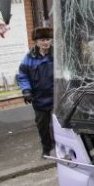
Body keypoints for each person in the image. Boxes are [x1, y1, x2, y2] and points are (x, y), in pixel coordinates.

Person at [17, 27, 54, 157]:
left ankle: (63, 148)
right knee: (42, 127)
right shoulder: (29, 58)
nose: (46, 42)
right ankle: (47, 148)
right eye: (42, 40)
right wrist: (26, 90)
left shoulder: (57, 55)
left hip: (57, 98)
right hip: (40, 100)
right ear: (36, 42)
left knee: (60, 126)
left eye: (48, 39)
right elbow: (22, 76)